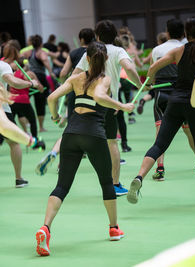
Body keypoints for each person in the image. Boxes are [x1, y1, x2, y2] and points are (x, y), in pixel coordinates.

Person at [36, 42, 135, 256]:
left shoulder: (75, 78)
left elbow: (51, 98)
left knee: (62, 186)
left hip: (70, 135)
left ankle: (45, 227)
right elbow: (99, 97)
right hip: (94, 135)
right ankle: (113, 228)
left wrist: (55, 117)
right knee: (107, 182)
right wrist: (122, 106)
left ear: (87, 59)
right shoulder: (105, 79)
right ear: (106, 59)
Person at [127, 16, 195, 204]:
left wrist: (150, 81)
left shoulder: (179, 50)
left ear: (186, 33)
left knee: (159, 144)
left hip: (175, 101)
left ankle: (139, 177)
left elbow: (152, 67)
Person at [73, 20, 142, 196]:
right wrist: (139, 83)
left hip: (88, 103)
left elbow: (75, 75)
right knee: (112, 142)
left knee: (84, 140)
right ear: (115, 36)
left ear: (97, 36)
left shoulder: (91, 51)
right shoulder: (119, 51)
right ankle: (115, 184)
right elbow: (130, 68)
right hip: (109, 104)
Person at [35, 28, 95, 176]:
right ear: (94, 38)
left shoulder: (74, 53)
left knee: (71, 128)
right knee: (91, 129)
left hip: (74, 93)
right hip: (94, 93)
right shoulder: (97, 51)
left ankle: (57, 154)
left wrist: (66, 85)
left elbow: (63, 73)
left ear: (81, 39)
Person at [0, 59, 39, 187]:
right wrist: (31, 83)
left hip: (7, 108)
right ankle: (19, 178)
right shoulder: (3, 66)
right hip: (4, 111)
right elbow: (13, 82)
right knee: (14, 142)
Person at [22, 35, 55, 132]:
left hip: (30, 78)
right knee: (40, 103)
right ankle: (40, 127)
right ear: (41, 43)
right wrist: (51, 71)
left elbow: (21, 58)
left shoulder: (28, 52)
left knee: (26, 99)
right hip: (40, 78)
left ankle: (28, 121)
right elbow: (45, 61)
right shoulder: (41, 52)